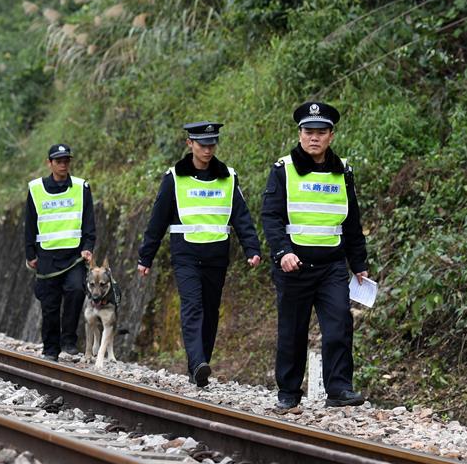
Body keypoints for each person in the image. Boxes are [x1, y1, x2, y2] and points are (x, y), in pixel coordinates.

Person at [261, 102, 369, 409]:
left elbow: (352, 221)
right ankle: (289, 393)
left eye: (321, 132)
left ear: (331, 136)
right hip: (294, 266)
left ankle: (339, 389)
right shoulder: (284, 169)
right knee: (292, 332)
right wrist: (283, 252)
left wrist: (358, 263)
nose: (314, 138)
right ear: (299, 134)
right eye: (308, 132)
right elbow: (270, 216)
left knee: (339, 326)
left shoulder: (343, 171)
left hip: (332, 265)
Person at [138, 121, 261, 387]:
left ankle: (200, 362)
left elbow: (241, 215)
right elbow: (157, 219)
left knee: (210, 310)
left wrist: (252, 248)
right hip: (186, 254)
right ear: (190, 144)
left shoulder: (228, 176)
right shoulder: (175, 177)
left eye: (212, 144)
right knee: (192, 306)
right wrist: (145, 256)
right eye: (202, 144)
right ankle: (197, 364)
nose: (208, 149)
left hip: (217, 255)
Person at [25, 143, 95, 361]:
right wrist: (30, 254)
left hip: (74, 257)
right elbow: (30, 224)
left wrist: (88, 247)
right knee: (50, 305)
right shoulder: (36, 189)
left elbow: (89, 222)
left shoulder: (81, 187)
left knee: (76, 292)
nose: (63, 165)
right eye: (58, 161)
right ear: (50, 163)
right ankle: (50, 349)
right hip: (46, 257)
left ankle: (69, 341)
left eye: (66, 161)